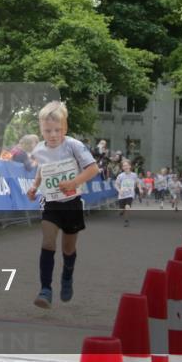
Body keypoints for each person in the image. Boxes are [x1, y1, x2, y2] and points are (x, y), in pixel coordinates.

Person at [26, 101, 99, 309]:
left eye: (57, 130)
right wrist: (34, 186)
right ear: (41, 129)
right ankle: (45, 289)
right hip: (51, 203)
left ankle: (67, 275)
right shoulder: (39, 149)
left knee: (68, 248)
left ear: (65, 128)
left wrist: (74, 183)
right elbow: (42, 168)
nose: (53, 134)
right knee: (48, 242)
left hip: (72, 203)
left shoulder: (73, 145)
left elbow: (92, 169)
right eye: (48, 130)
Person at [114, 159, 138, 227]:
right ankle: (122, 211)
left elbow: (136, 182)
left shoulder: (134, 175)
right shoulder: (120, 176)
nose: (125, 167)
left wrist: (136, 188)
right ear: (122, 168)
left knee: (127, 206)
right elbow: (116, 184)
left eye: (127, 165)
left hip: (130, 194)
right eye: (124, 166)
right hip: (122, 195)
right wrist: (119, 190)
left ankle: (126, 221)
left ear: (130, 166)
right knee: (122, 208)